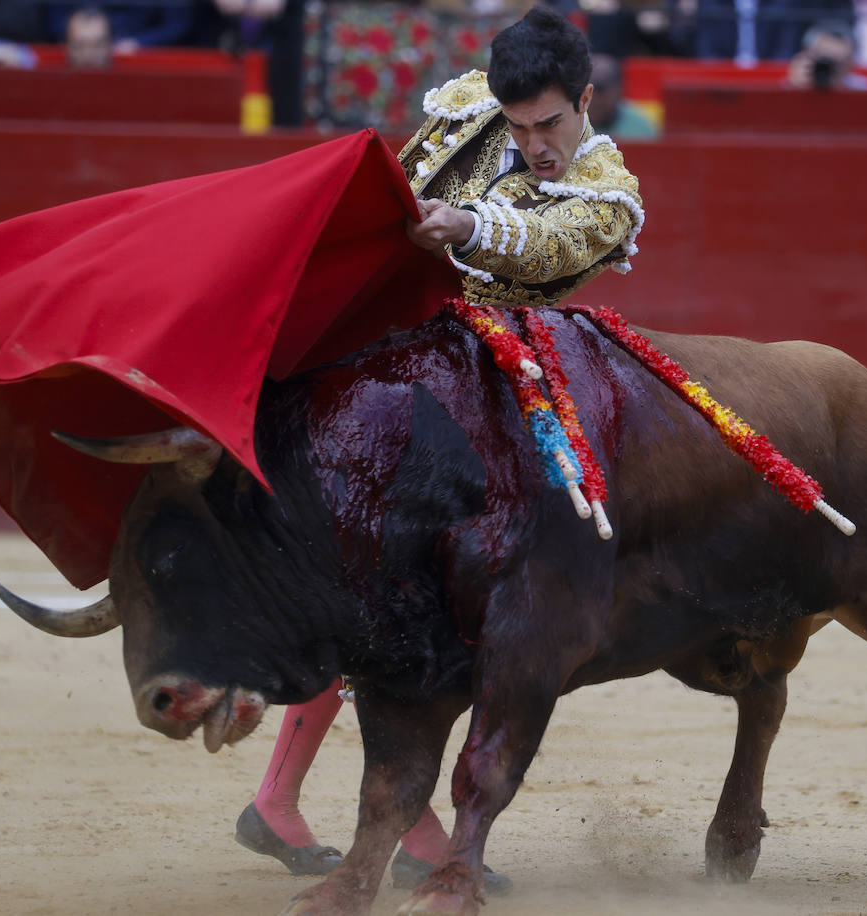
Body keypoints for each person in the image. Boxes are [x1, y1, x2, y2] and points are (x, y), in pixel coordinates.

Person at [233, 4, 643, 891]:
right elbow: (399, 176)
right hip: (393, 382)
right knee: (413, 611)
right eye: (522, 126)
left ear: (586, 98)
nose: (537, 143)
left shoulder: (608, 190)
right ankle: (377, 815)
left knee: (404, 608)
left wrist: (465, 229)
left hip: (477, 410)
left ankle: (301, 800)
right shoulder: (468, 105)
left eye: (552, 124)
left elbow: (548, 242)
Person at [785, 19, 867, 91]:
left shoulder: (864, 91)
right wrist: (794, 88)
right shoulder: (789, 86)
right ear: (806, 56)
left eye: (838, 62)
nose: (829, 67)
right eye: (824, 61)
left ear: (850, 63)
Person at [587, 53, 658, 140]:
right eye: (584, 89)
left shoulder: (640, 128)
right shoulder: (569, 124)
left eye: (600, 89)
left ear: (618, 89)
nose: (592, 97)